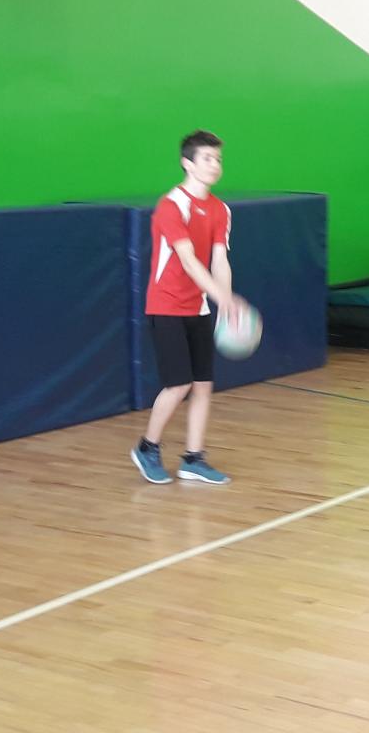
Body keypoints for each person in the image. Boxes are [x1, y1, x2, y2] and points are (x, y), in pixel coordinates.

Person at [130, 130, 243, 485]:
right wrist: (220, 295)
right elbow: (189, 260)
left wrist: (224, 298)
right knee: (178, 385)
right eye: (207, 158)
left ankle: (193, 459)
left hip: (199, 308)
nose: (215, 165)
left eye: (218, 159)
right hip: (166, 305)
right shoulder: (171, 206)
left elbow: (219, 259)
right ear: (187, 163)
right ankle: (147, 447)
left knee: (203, 385)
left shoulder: (220, 210)